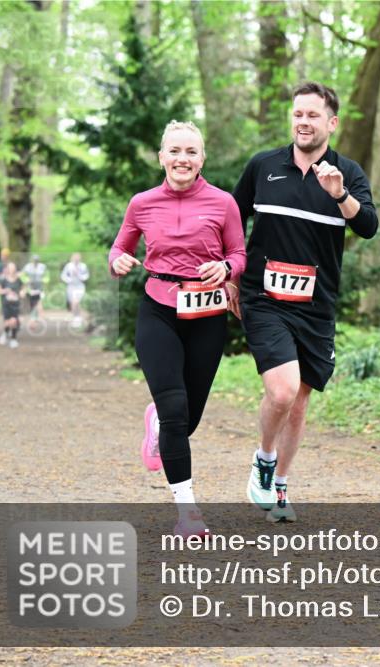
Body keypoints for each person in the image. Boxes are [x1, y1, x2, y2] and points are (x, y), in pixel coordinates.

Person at [230, 81, 378, 523]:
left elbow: (368, 226)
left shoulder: (346, 173)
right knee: (282, 390)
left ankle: (279, 487)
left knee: (299, 403)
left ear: (331, 123)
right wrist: (232, 275)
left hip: (316, 305)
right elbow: (231, 221)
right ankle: (263, 458)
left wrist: (340, 196)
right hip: (263, 297)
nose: (303, 122)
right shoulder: (263, 166)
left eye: (312, 115)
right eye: (298, 114)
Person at [109, 120, 246, 537]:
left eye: (190, 152)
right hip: (158, 309)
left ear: (202, 159)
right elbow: (120, 247)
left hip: (206, 314)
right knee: (173, 409)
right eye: (174, 151)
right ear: (161, 157)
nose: (182, 159)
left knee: (188, 418)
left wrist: (224, 267)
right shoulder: (142, 203)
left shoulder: (223, 203)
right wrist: (117, 261)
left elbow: (239, 253)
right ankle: (188, 513)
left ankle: (159, 425)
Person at [0, 262, 23, 348]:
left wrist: (22, 293)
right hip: (6, 304)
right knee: (7, 322)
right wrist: (5, 291)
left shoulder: (19, 280)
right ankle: (5, 333)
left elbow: (23, 289)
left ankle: (13, 339)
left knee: (14, 321)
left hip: (15, 304)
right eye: (10, 268)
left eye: (13, 268)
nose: (12, 270)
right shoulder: (3, 280)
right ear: (7, 269)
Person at [60, 252, 90, 326]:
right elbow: (63, 275)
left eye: (78, 257)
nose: (76, 259)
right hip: (71, 286)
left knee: (76, 302)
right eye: (75, 257)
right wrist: (69, 280)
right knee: (73, 303)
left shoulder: (83, 266)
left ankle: (77, 318)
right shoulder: (68, 266)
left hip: (80, 286)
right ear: (72, 258)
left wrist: (79, 275)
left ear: (80, 258)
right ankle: (76, 317)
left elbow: (86, 275)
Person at [21, 253, 47, 322]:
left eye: (36, 260)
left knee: (39, 301)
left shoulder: (42, 267)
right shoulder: (28, 267)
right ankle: (34, 316)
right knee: (32, 302)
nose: (35, 262)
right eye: (34, 260)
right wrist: (26, 280)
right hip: (31, 287)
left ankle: (40, 316)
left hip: (40, 287)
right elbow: (22, 275)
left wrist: (44, 280)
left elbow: (47, 276)